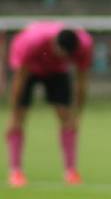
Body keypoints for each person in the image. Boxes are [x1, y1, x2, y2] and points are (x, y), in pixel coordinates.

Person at [6, 21, 93, 187]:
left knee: (67, 118)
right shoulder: (32, 42)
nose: (62, 57)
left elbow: (81, 83)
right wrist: (13, 112)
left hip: (57, 72)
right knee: (18, 118)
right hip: (30, 69)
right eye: (59, 54)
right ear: (54, 43)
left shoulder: (84, 45)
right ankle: (15, 171)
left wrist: (78, 115)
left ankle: (71, 171)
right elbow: (19, 80)